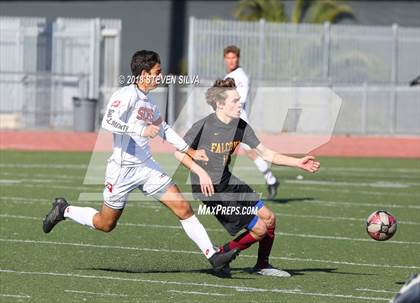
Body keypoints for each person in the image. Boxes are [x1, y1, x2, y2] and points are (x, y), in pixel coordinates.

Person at [42, 50, 239, 273]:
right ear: (144, 73)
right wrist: (140, 129)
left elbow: (163, 128)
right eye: (157, 72)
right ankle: (64, 210)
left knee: (183, 207)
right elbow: (108, 121)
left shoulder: (149, 101)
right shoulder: (126, 94)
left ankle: (213, 255)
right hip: (122, 170)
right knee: (106, 224)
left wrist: (189, 150)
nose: (160, 76)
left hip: (147, 167)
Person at [175, 78, 320, 277]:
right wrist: (201, 173)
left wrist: (297, 162)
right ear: (220, 104)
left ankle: (262, 265)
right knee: (259, 229)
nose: (239, 104)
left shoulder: (240, 126)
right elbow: (179, 153)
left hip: (227, 181)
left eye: (239, 100)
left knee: (269, 218)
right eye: (234, 101)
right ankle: (221, 254)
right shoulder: (204, 126)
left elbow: (267, 154)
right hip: (209, 190)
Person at [223, 45, 279, 200]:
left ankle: (223, 189)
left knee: (223, 152)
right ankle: (271, 180)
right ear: (224, 59)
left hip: (237, 119)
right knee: (250, 152)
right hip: (231, 119)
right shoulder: (229, 75)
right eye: (228, 58)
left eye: (234, 57)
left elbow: (240, 100)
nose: (231, 60)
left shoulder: (240, 76)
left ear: (238, 59)